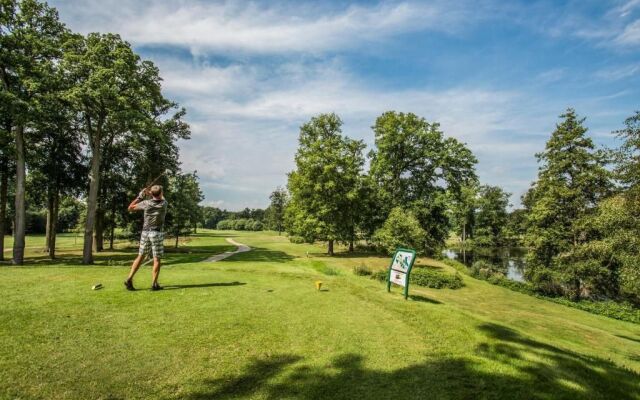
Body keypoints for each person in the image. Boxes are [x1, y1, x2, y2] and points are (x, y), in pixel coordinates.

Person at [124, 185, 168, 291]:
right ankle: (154, 284)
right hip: (156, 233)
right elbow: (162, 198)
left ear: (152, 194)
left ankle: (129, 279)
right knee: (157, 259)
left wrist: (140, 196)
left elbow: (130, 208)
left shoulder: (146, 203)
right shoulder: (163, 204)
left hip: (145, 233)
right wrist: (150, 193)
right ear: (161, 193)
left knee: (140, 256)